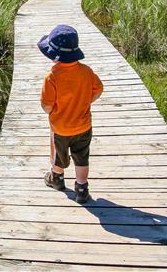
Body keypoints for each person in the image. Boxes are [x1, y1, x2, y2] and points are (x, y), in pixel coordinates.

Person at [37, 24, 103, 203]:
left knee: (59, 155)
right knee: (82, 157)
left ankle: (56, 179)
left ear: (53, 55)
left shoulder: (51, 77)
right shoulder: (86, 71)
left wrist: (53, 112)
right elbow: (98, 89)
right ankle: (82, 188)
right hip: (84, 126)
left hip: (61, 128)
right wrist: (85, 101)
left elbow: (46, 105)